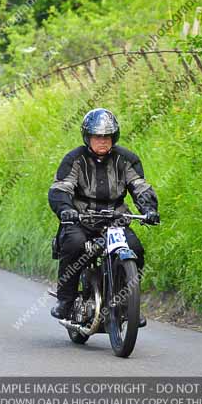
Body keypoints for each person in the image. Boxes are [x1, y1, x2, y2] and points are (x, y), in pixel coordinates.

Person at [48, 108, 160, 324]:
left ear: (114, 137)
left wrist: (149, 210)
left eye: (107, 137)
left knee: (135, 249)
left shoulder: (126, 159)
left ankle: (128, 304)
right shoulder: (74, 159)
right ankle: (66, 301)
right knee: (75, 245)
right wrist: (65, 209)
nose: (102, 141)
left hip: (116, 220)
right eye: (97, 137)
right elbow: (61, 188)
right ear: (87, 137)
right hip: (81, 219)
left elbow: (140, 187)